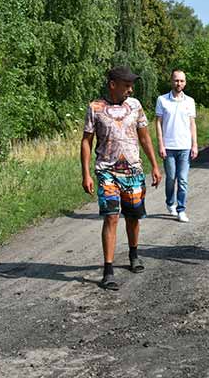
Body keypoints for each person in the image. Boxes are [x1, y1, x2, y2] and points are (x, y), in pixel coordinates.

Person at [81, 66, 162, 290]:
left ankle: (133, 254)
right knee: (111, 217)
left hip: (134, 171)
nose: (130, 89)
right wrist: (86, 173)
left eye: (131, 85)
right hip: (106, 171)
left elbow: (145, 138)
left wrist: (155, 165)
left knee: (133, 217)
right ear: (113, 84)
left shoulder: (135, 106)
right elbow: (86, 141)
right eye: (126, 85)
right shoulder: (95, 108)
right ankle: (108, 270)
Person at [155, 69, 198, 222]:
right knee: (171, 178)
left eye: (181, 81)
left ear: (185, 83)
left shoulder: (190, 101)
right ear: (171, 81)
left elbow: (192, 124)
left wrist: (195, 144)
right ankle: (170, 203)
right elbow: (158, 123)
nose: (178, 83)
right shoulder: (162, 100)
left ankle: (181, 209)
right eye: (176, 80)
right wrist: (161, 144)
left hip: (185, 146)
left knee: (183, 179)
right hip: (169, 146)